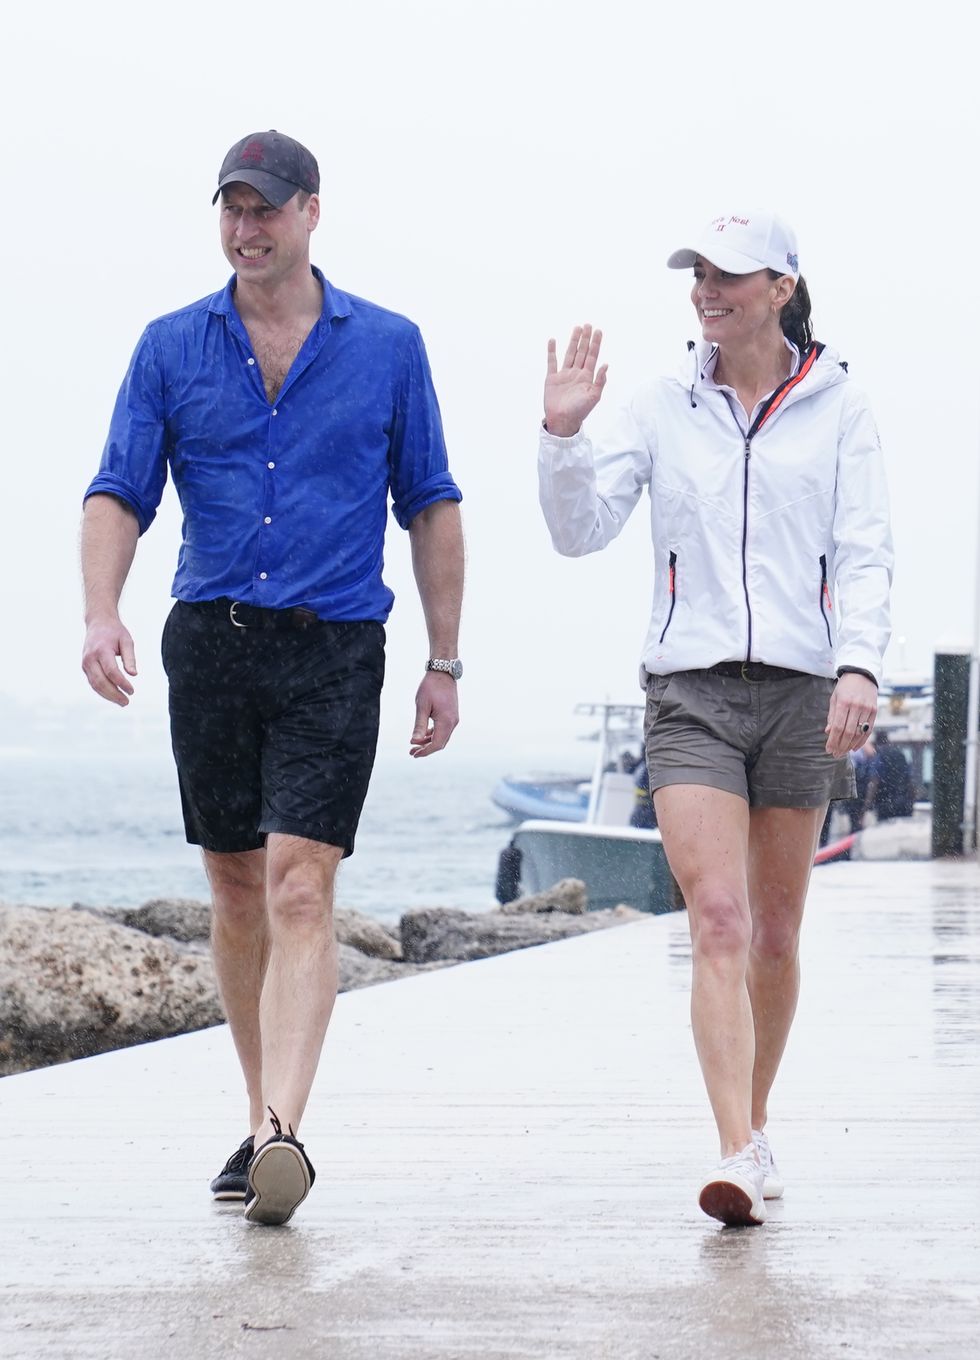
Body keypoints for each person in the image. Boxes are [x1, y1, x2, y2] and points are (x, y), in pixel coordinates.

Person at [81, 130, 464, 1227]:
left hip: (333, 645)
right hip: (210, 640)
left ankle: (284, 1131)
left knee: (301, 883)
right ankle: (260, 1121)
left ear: (310, 212)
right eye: (231, 209)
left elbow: (430, 503)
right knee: (237, 885)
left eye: (265, 209)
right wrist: (101, 609)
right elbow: (118, 490)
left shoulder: (387, 345)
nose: (246, 230)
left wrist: (443, 660)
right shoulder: (170, 345)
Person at [538, 211, 892, 1226]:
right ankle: (733, 1147)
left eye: (728, 274)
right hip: (689, 692)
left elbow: (864, 548)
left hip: (801, 692)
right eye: (697, 272)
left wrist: (859, 664)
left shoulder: (840, 406)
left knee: (776, 933)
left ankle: (757, 1120)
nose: (705, 289)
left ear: (780, 287)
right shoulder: (661, 406)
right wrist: (562, 436)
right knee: (720, 920)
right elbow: (578, 530)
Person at [864, 730, 914, 821]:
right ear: (887, 741)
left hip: (885, 804)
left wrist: (867, 803)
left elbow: (874, 782)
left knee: (885, 829)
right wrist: (911, 800)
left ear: (876, 743)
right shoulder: (900, 755)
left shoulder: (879, 757)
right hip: (904, 803)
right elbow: (910, 780)